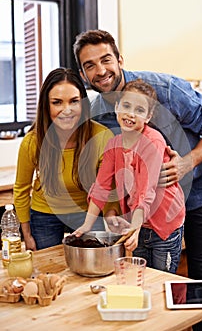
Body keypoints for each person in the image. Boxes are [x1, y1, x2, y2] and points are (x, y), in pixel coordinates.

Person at [73, 29, 202, 331]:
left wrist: (185, 162)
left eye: (106, 59)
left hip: (196, 198)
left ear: (120, 59)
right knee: (150, 282)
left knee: (201, 282)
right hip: (144, 219)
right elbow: (108, 171)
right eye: (90, 65)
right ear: (82, 73)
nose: (100, 70)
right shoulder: (95, 110)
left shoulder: (167, 90)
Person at [74, 79, 185, 273]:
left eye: (140, 110)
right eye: (126, 105)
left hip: (164, 224)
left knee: (161, 277)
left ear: (148, 116)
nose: (131, 114)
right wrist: (86, 225)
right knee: (141, 275)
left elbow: (146, 190)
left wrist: (135, 228)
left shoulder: (153, 142)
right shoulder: (113, 145)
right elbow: (101, 187)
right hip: (137, 223)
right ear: (117, 106)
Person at [14, 67, 117, 251]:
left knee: (90, 269)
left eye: (74, 101)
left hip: (88, 213)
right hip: (45, 213)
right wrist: (27, 235)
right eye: (57, 102)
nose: (66, 110)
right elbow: (21, 189)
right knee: (49, 270)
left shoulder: (102, 137)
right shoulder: (32, 141)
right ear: (47, 105)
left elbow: (107, 187)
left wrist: (111, 215)